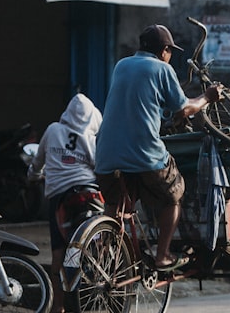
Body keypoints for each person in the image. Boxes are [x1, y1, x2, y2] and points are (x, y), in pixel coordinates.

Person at [94, 24, 223, 271]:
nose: (170, 56)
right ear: (164, 50)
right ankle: (163, 255)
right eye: (170, 51)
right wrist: (207, 97)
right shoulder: (162, 69)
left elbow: (139, 102)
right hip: (143, 153)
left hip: (105, 154)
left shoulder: (122, 65)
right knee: (174, 193)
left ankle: (100, 253)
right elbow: (184, 109)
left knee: (116, 202)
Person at [27, 93, 104, 313]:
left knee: (58, 253)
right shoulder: (90, 137)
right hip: (88, 195)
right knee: (98, 242)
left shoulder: (52, 130)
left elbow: (37, 163)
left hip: (60, 200)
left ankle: (58, 304)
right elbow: (98, 166)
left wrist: (33, 176)